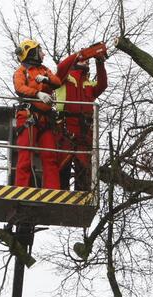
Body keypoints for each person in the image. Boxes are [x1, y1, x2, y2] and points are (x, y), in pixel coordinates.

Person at [54, 44, 108, 191]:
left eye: (88, 61)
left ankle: (82, 197)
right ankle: (60, 197)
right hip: (65, 129)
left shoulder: (88, 83)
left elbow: (103, 84)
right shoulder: (64, 78)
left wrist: (100, 62)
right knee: (62, 168)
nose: (86, 61)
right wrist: (79, 54)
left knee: (84, 170)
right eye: (85, 60)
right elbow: (61, 68)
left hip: (84, 132)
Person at [12, 39, 63, 188]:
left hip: (45, 119)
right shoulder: (21, 71)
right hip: (28, 116)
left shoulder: (44, 70)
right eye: (40, 51)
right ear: (32, 52)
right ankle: (21, 189)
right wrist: (37, 94)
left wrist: (46, 80)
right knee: (25, 156)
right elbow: (19, 88)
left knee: (50, 157)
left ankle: (53, 190)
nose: (43, 54)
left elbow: (57, 82)